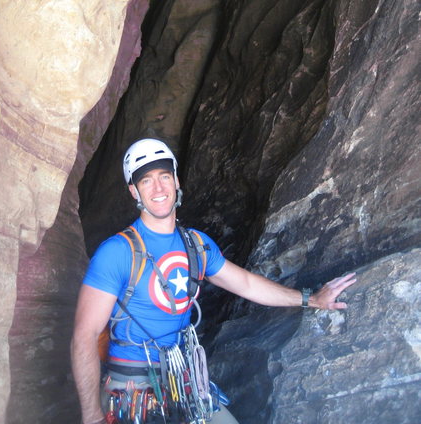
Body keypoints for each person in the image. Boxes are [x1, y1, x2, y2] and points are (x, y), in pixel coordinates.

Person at [71, 138, 356, 424]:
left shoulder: (197, 245)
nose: (158, 188)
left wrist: (310, 299)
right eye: (146, 181)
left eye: (165, 177)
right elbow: (84, 336)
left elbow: (245, 284)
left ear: (176, 182)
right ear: (134, 191)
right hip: (130, 389)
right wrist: (92, 416)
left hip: (183, 382)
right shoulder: (116, 252)